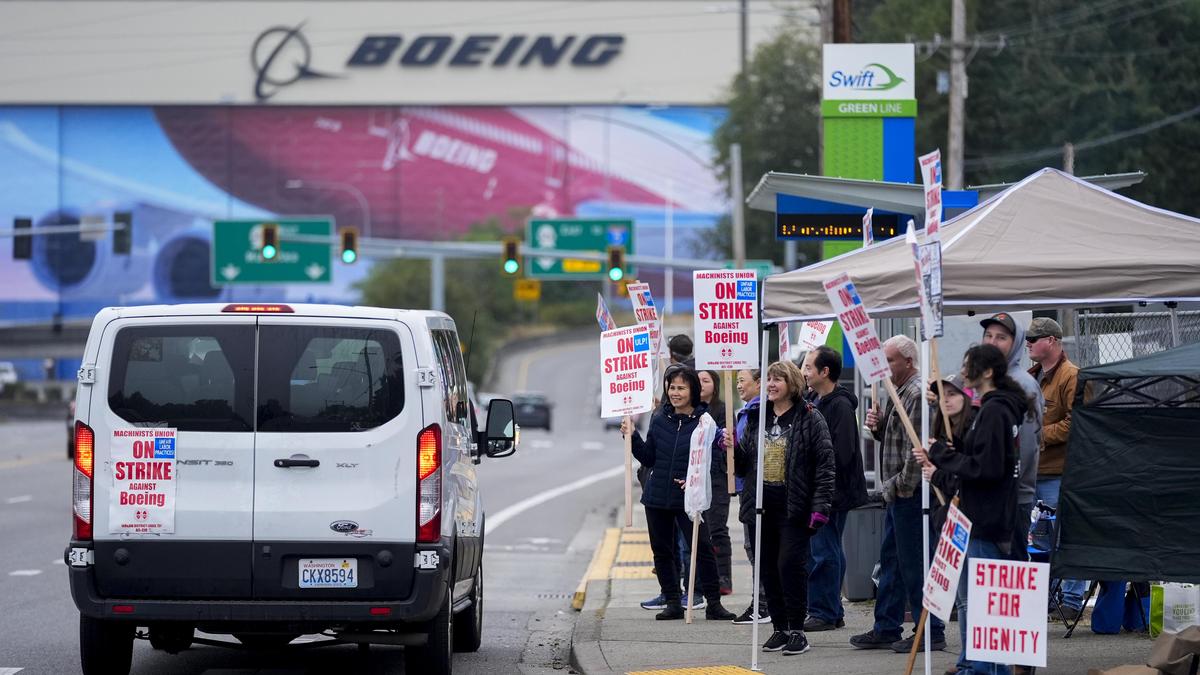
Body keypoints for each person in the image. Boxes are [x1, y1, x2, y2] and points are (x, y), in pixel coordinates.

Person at [914, 343, 1027, 675]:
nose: (964, 370)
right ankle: (981, 666)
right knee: (977, 600)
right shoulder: (996, 408)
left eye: (968, 365)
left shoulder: (994, 411)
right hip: (982, 516)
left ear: (987, 372)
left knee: (980, 602)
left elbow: (987, 468)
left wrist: (943, 457)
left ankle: (982, 668)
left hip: (985, 516)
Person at [728, 360, 835, 656]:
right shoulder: (755, 418)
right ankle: (780, 628)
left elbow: (825, 466)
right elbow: (743, 465)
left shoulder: (810, 418)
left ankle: (798, 629)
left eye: (778, 379)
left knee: (790, 565)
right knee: (768, 569)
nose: (771, 384)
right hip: (760, 506)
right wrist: (731, 448)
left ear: (792, 384)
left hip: (794, 506)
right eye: (769, 379)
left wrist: (820, 507)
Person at [850, 335, 946, 653]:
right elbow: (896, 439)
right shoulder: (898, 391)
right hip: (897, 491)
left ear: (908, 360)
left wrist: (900, 487)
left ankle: (929, 630)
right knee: (891, 560)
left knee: (915, 563)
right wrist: (878, 427)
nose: (885, 365)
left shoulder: (917, 392)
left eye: (890, 359)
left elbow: (916, 450)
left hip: (911, 492)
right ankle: (886, 625)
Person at [623, 367, 736, 621]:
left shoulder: (705, 422)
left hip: (689, 498)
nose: (675, 393)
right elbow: (649, 457)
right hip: (656, 497)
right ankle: (672, 601)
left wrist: (696, 479)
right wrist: (632, 438)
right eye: (671, 387)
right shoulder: (659, 418)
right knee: (663, 551)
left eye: (681, 388)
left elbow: (713, 458)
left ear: (692, 390)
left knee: (703, 548)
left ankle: (714, 604)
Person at [801, 345, 869, 632]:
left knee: (824, 551)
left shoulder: (838, 406)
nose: (803, 372)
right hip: (825, 490)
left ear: (824, 372)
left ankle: (824, 611)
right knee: (828, 549)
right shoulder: (818, 400)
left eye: (808, 367)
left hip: (831, 492)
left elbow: (841, 453)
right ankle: (831, 608)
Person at [1026, 317, 1085, 621]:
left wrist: (1036, 437)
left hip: (1057, 472)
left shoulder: (1070, 376)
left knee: (1064, 536)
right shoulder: (1033, 376)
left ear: (1051, 340)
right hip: (1033, 472)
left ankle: (1073, 600)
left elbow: (1077, 423)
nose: (1028, 344)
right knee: (1039, 539)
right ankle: (1047, 597)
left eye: (1033, 339)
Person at [977, 313, 1045, 562]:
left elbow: (1026, 447)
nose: (992, 342)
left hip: (1010, 498)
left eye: (1001, 337)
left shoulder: (1023, 385)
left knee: (1009, 582)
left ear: (1015, 344)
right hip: (983, 498)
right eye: (988, 335)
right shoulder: (983, 381)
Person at [731, 368, 770, 625]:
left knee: (758, 547)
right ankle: (761, 601)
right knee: (751, 546)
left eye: (742, 380)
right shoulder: (745, 412)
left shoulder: (761, 413)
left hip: (760, 488)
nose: (738, 386)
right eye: (736, 381)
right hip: (747, 486)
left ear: (759, 383)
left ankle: (764, 604)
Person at [923, 374, 976, 534]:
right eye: (942, 395)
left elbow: (966, 480)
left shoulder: (973, 432)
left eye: (952, 394)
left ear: (966, 396)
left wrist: (936, 474)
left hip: (967, 519)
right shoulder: (943, 432)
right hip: (945, 515)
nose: (945, 400)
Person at [699, 369, 733, 595]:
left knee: (717, 527)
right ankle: (703, 579)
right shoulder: (692, 410)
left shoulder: (723, 410)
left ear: (715, 383)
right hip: (697, 477)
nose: (701, 384)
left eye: (706, 380)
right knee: (699, 530)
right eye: (698, 380)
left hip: (718, 476)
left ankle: (724, 577)